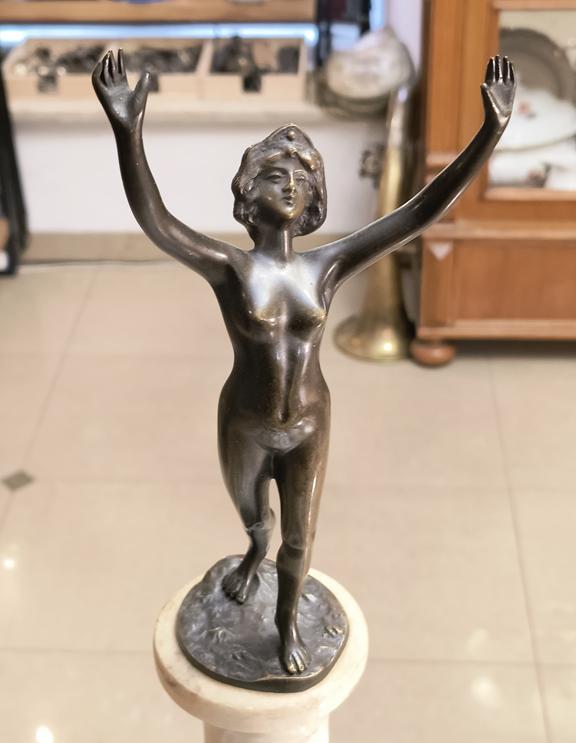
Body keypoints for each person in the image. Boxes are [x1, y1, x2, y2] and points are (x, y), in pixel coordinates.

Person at [93, 51, 515, 675]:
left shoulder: (327, 266)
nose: (291, 184)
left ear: (315, 195)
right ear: (248, 191)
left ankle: (287, 623)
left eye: (302, 177)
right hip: (245, 421)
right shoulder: (230, 269)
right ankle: (250, 555)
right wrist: (127, 132)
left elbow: (419, 213)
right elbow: (157, 222)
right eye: (275, 175)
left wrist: (490, 134)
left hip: (310, 422)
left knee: (300, 538)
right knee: (255, 522)